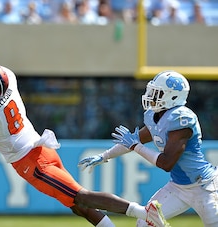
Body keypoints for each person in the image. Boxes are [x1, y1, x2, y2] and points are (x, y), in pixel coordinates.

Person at [0, 34, 169, 227]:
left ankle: (143, 213)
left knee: (80, 196)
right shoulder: (7, 79)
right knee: (76, 204)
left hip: (31, 163)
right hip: (42, 147)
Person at [78, 70, 218, 227]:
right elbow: (134, 140)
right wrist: (104, 156)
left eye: (157, 93)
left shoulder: (181, 119)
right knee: (145, 222)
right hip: (178, 187)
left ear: (172, 96)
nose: (151, 96)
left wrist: (136, 147)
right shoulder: (154, 116)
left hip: (205, 187)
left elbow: (166, 163)